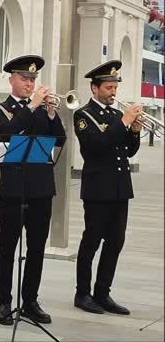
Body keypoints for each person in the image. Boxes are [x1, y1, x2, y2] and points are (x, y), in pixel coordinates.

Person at [0, 55, 65, 325]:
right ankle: (4, 302)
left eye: (33, 79)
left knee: (36, 248)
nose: (30, 84)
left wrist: (52, 113)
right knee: (7, 247)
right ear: (12, 80)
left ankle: (30, 300)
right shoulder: (0, 108)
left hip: (42, 189)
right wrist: (31, 106)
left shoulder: (45, 109)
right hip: (13, 190)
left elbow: (60, 139)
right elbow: (6, 134)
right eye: (24, 79)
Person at [73, 60, 141, 315]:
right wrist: (124, 122)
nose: (113, 92)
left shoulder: (115, 116)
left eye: (115, 87)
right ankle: (82, 293)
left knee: (115, 241)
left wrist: (133, 131)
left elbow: (128, 150)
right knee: (91, 241)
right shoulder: (84, 115)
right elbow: (95, 147)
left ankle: (103, 293)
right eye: (109, 87)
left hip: (120, 188)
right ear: (95, 88)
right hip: (97, 188)